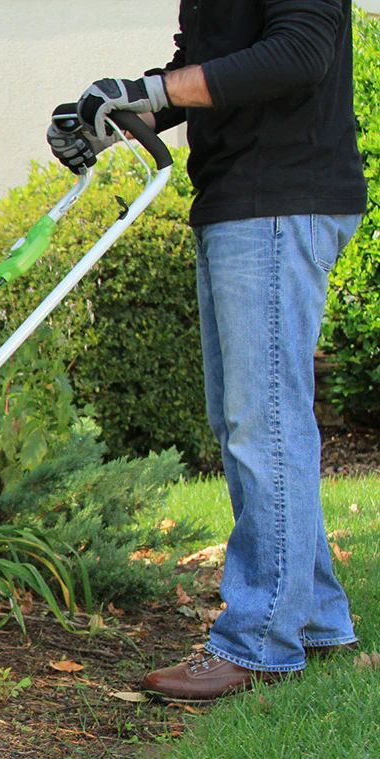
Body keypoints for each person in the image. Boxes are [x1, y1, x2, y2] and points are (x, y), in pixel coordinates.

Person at [48, 0, 367, 703]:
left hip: (278, 197)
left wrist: (150, 90)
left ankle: (260, 642)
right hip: (242, 200)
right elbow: (206, 73)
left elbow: (298, 55)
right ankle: (316, 619)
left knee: (265, 426)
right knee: (249, 423)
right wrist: (109, 118)